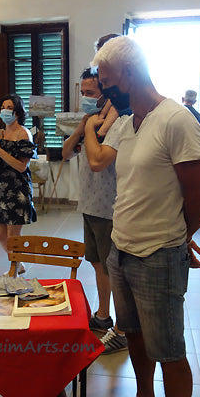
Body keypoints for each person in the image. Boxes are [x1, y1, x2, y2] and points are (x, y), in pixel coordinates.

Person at [91, 36, 200, 397]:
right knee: (135, 338)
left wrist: (177, 236)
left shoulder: (176, 120)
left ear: (128, 74)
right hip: (120, 251)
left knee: (169, 350)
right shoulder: (126, 125)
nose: (103, 90)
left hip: (158, 256)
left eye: (106, 80)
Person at [62, 67, 127, 353]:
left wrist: (93, 128)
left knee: (111, 265)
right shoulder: (90, 122)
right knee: (97, 262)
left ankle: (119, 323)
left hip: (109, 204)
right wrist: (83, 125)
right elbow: (65, 152)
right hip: (89, 202)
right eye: (83, 93)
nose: (86, 98)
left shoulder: (116, 122)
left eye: (91, 93)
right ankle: (103, 314)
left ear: (106, 94)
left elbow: (97, 159)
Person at [0, 94, 37, 277]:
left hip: (18, 188)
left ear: (17, 111)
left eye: (9, 107)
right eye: (2, 107)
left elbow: (22, 166)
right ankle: (19, 263)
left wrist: (1, 151)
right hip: (2, 187)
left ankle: (13, 271)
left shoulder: (24, 133)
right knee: (0, 233)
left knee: (13, 234)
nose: (4, 111)